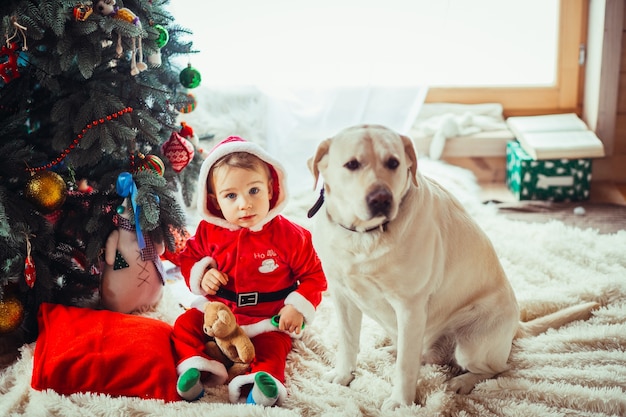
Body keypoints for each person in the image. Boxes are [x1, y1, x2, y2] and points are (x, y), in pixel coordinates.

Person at [172, 136, 327, 406]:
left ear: (270, 189)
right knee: (184, 326)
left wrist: (296, 307)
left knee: (273, 348)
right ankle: (198, 367)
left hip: (267, 318)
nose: (244, 203)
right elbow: (189, 258)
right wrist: (202, 273)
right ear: (215, 201)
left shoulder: (290, 236)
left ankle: (261, 384)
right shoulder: (209, 231)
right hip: (220, 312)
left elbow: (315, 276)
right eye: (231, 195)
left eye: (253, 191)